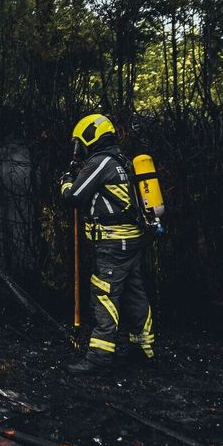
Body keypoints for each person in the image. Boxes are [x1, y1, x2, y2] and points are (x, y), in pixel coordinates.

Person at [60, 114, 155, 374]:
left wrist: (66, 181)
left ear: (91, 136)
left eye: (80, 143)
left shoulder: (101, 162)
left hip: (113, 243)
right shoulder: (121, 160)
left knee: (104, 295)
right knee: (134, 292)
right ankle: (143, 346)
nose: (78, 149)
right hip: (131, 240)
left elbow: (74, 197)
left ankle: (100, 358)